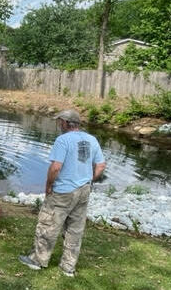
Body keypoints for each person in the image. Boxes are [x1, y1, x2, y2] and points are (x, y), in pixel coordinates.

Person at [19, 109, 106, 277]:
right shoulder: (92, 139)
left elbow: (56, 167)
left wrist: (49, 186)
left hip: (63, 192)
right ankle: (68, 267)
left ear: (66, 123)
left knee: (48, 224)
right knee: (75, 229)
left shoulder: (63, 140)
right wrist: (88, 180)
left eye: (59, 122)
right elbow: (101, 165)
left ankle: (38, 260)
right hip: (84, 191)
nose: (59, 125)